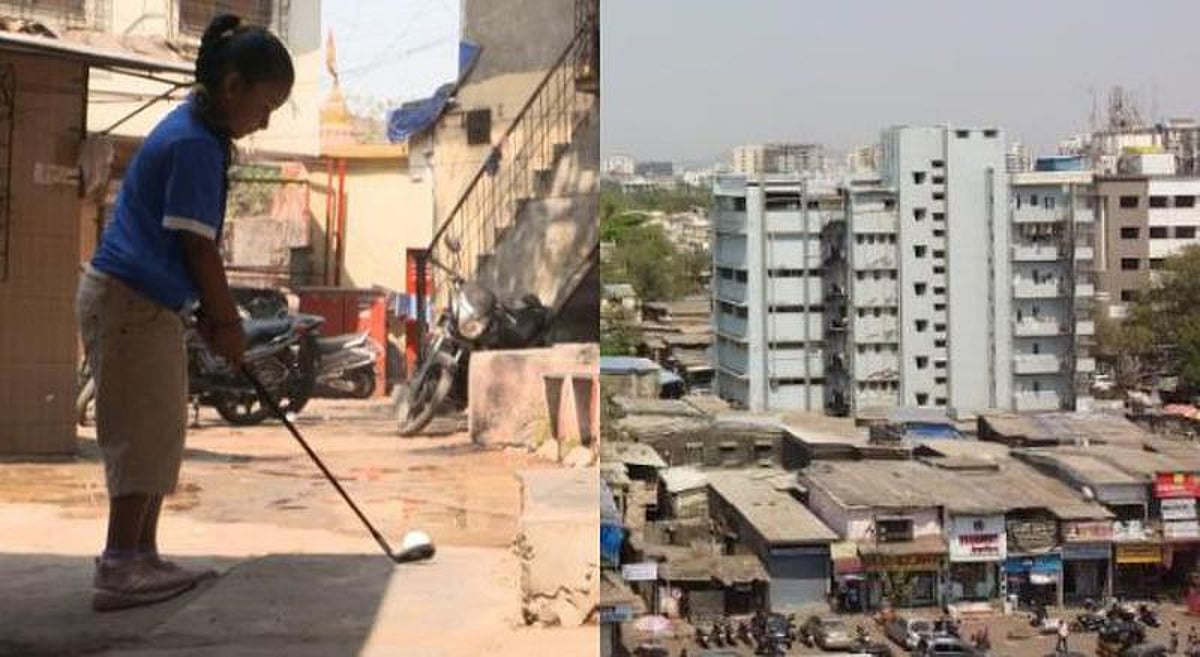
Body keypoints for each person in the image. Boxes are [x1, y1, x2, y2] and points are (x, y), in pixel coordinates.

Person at [77, 12, 293, 612]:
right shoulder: (196, 144)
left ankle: (141, 554)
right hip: (128, 300)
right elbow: (197, 246)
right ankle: (120, 563)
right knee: (139, 432)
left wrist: (203, 312)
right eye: (265, 103)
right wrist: (227, 323)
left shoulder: (199, 133)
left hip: (148, 301)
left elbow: (180, 242)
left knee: (160, 430)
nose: (265, 119)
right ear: (232, 88)